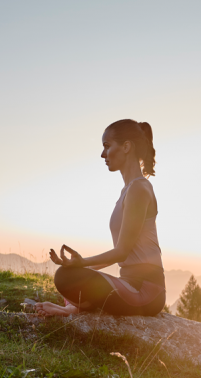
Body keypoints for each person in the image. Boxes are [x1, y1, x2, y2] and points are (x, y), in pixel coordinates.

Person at [33, 119, 165, 317]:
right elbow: (121, 255)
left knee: (66, 278)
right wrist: (75, 266)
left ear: (127, 147)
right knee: (68, 275)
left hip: (146, 291)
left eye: (107, 146)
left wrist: (82, 263)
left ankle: (71, 309)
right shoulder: (128, 190)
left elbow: (121, 252)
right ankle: (71, 308)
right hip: (130, 283)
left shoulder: (139, 188)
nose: (103, 154)